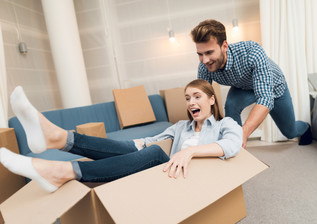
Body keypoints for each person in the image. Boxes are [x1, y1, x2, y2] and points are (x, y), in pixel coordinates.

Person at [0, 79, 242, 193]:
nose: (191, 102)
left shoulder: (225, 125)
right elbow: (154, 140)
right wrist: (134, 144)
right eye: (187, 98)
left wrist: (189, 151)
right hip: (166, 173)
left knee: (156, 153)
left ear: (212, 99)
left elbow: (233, 145)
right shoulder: (180, 126)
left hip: (194, 179)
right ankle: (59, 138)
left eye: (197, 96)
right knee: (139, 147)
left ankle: (63, 166)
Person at [190, 19, 312, 148]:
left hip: (273, 86)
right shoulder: (204, 66)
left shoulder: (252, 52)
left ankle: (305, 128)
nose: (205, 60)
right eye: (200, 54)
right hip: (243, 87)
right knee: (231, 105)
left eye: (209, 52)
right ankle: (236, 149)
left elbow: (265, 98)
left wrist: (243, 133)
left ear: (224, 46)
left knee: (290, 132)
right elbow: (202, 100)